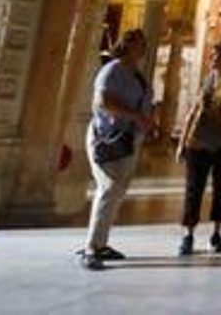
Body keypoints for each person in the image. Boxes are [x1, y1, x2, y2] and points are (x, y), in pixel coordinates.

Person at [79, 29, 156, 270]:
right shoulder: (113, 69)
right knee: (108, 188)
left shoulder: (136, 74)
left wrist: (146, 123)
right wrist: (136, 115)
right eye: (140, 44)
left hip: (126, 138)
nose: (144, 48)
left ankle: (101, 243)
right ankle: (91, 249)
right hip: (105, 137)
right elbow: (102, 101)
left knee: (117, 191)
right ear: (127, 44)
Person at [176, 41, 221, 256]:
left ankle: (216, 233)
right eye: (212, 55)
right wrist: (182, 142)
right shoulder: (207, 79)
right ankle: (188, 235)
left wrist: (213, 109)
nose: (212, 59)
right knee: (193, 189)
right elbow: (193, 111)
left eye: (217, 56)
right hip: (197, 142)